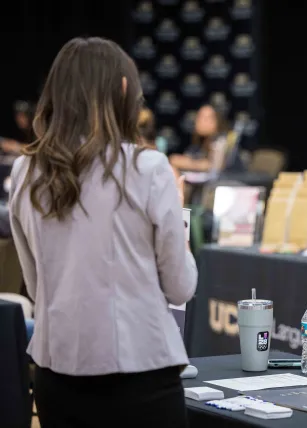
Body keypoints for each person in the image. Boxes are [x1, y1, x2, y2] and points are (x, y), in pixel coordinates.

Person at [9, 37, 197, 428]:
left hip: (55, 373)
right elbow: (180, 287)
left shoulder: (23, 171)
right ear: (124, 89)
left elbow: (37, 286)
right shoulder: (149, 167)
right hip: (140, 374)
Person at [169, 104, 230, 173]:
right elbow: (187, 157)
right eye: (199, 117)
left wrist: (192, 164)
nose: (201, 121)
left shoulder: (221, 141)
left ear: (217, 122)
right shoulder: (199, 141)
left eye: (206, 118)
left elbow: (215, 168)